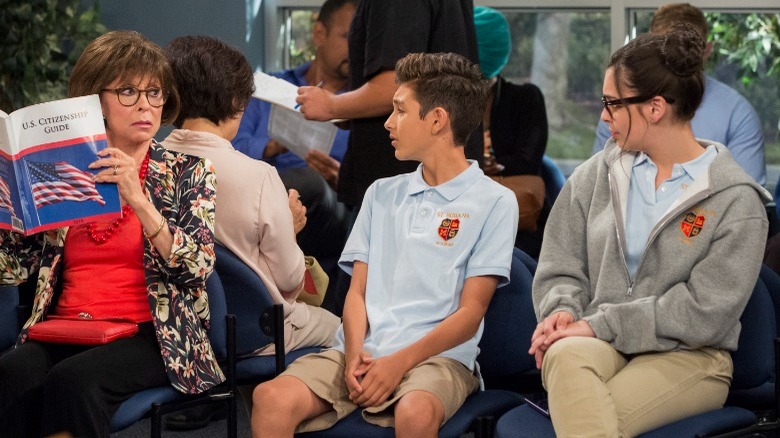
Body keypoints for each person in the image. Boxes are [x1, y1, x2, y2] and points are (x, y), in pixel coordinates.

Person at [251, 52, 519, 438]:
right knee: (270, 398)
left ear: (438, 119)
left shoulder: (494, 201)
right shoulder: (381, 193)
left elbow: (470, 314)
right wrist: (355, 353)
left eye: (400, 111)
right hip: (359, 348)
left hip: (436, 359)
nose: (389, 123)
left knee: (415, 412)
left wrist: (398, 363)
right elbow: (356, 292)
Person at [530, 25, 770, 437]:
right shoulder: (593, 177)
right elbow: (560, 266)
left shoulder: (737, 202)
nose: (603, 116)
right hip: (599, 343)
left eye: (612, 104)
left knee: (587, 419)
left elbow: (703, 312)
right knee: (565, 357)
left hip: (691, 356)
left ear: (655, 107)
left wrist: (598, 324)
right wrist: (562, 311)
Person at [0, 30, 219, 437]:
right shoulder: (62, 171)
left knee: (73, 382)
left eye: (155, 92)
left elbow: (199, 268)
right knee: (12, 372)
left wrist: (139, 201)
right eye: (128, 91)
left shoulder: (188, 172)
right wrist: (10, 213)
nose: (145, 105)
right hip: (67, 326)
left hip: (153, 332)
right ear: (93, 101)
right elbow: (14, 271)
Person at [161, 35, 342, 431]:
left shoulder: (151, 167)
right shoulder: (258, 177)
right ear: (235, 104)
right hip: (254, 328)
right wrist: (291, 230)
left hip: (175, 326)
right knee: (346, 334)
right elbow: (291, 280)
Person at [295, 0, 482, 315]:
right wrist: (349, 109)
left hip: (403, 181)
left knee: (373, 313)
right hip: (441, 172)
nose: (390, 120)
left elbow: (393, 86)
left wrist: (333, 106)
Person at [232, 0, 356, 295]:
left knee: (306, 183)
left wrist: (343, 179)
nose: (357, 48)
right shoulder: (270, 87)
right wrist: (273, 145)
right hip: (261, 197)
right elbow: (231, 146)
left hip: (329, 207)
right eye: (348, 37)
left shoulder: (359, 106)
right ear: (319, 33)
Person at [591, 2, 766, 185]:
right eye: (660, 52)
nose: (672, 62)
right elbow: (599, 186)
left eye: (686, 52)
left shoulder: (738, 115)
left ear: (707, 50)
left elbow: (743, 196)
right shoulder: (619, 111)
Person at [473, 6, 549, 258]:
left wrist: (495, 165)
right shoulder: (447, 103)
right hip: (463, 213)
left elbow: (528, 159)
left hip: (518, 220)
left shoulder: (525, 98)